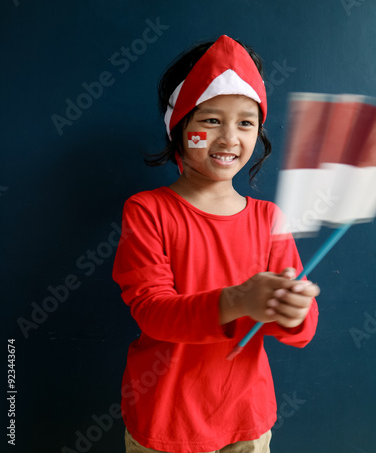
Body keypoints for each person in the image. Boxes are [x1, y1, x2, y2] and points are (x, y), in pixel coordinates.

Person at [112, 35, 320, 453]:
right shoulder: (147, 209)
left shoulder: (268, 218)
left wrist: (295, 310)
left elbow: (301, 330)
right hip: (165, 420)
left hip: (246, 421)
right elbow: (152, 312)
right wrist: (240, 299)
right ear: (180, 129)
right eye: (209, 121)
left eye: (245, 123)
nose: (229, 137)